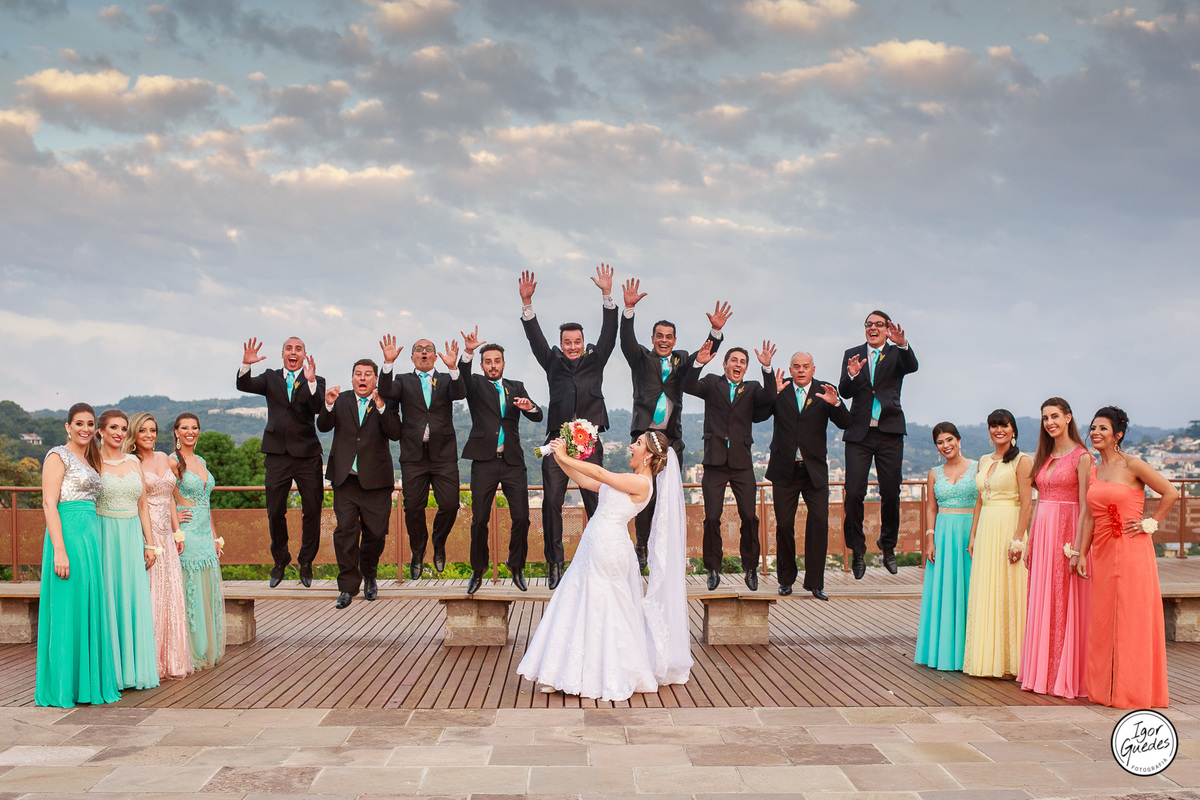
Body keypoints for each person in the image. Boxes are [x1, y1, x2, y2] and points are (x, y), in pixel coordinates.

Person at [517, 430, 691, 700]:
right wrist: (560, 458)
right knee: (576, 602)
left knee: (602, 607)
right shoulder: (627, 480)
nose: (631, 446)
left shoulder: (642, 484)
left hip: (608, 549)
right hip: (593, 546)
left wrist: (566, 455)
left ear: (647, 455)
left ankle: (599, 673)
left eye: (637, 443)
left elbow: (599, 474)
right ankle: (563, 672)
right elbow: (587, 482)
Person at [620, 277, 729, 571]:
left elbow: (704, 353)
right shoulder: (641, 358)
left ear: (675, 340)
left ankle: (665, 550)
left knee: (668, 497)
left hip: (672, 440)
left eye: (669, 336)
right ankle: (641, 545)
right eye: (659, 335)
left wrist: (716, 331)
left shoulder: (681, 360)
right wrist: (628, 310)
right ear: (653, 337)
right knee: (645, 494)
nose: (664, 339)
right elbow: (626, 342)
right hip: (645, 437)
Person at [1072, 406, 1178, 708]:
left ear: (1118, 434)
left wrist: (1149, 523)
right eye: (1093, 428)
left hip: (1133, 550)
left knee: (1132, 617)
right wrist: (1082, 551)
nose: (1095, 433)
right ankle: (1106, 688)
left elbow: (1170, 492)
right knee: (1105, 619)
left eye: (1103, 428)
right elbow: (1091, 516)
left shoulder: (1134, 465)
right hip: (1103, 552)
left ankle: (1133, 690)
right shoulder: (1093, 470)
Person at [520, 265, 619, 590]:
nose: (573, 346)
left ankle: (598, 562)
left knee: (596, 503)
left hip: (590, 445)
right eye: (567, 342)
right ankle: (555, 565)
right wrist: (528, 305)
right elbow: (536, 339)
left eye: (577, 341)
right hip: (557, 444)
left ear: (583, 342)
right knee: (551, 503)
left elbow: (609, 333)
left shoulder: (596, 359)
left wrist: (607, 295)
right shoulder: (552, 361)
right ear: (561, 344)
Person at [35, 403, 121, 708]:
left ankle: (87, 684)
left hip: (90, 537)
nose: (85, 429)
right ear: (67, 426)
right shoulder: (57, 456)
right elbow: (48, 504)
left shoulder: (89, 458)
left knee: (87, 607)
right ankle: (62, 687)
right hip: (68, 536)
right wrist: (59, 549)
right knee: (67, 608)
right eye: (79, 423)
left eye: (89, 424)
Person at [683, 340, 777, 591]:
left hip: (741, 463)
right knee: (712, 518)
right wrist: (698, 364)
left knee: (749, 516)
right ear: (725, 365)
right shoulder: (713, 383)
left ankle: (750, 568)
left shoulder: (753, 387)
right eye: (734, 360)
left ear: (746, 368)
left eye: (743, 362)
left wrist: (767, 369)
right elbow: (688, 385)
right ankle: (713, 568)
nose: (738, 364)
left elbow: (770, 396)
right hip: (714, 462)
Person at [458, 329, 543, 594]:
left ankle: (515, 566)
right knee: (479, 519)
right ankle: (478, 569)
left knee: (522, 518)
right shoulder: (475, 383)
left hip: (512, 461)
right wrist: (469, 353)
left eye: (497, 361)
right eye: (488, 362)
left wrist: (530, 407)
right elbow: (460, 379)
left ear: (503, 363)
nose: (493, 366)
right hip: (483, 461)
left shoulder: (515, 386)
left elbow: (537, 415)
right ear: (482, 365)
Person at [236, 336, 325, 587]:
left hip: (308, 455)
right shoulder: (270, 377)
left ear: (305, 354)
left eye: (298, 349)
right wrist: (246, 364)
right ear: (283, 354)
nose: (293, 352)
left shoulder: (315, 380)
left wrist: (309, 383)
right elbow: (244, 385)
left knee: (312, 510)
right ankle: (280, 560)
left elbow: (318, 407)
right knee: (274, 510)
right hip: (276, 454)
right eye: (289, 348)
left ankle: (306, 562)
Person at [1019, 397, 1091, 698]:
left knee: (1064, 601)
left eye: (1055, 417)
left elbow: (1088, 507)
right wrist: (1030, 541)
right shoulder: (1045, 457)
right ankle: (1041, 672)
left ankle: (1065, 675)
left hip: (1066, 533)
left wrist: (1079, 549)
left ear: (1068, 418)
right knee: (1043, 600)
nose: (1050, 423)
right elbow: (1038, 504)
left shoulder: (1083, 457)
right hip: (1043, 533)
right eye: (1045, 418)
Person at [763, 351, 851, 599]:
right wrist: (772, 393)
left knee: (820, 524)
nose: (801, 370)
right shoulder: (781, 389)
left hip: (814, 471)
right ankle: (786, 580)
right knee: (784, 526)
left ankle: (815, 582)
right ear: (790, 370)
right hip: (784, 471)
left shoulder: (825, 391)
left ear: (813, 369)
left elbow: (845, 422)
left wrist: (836, 403)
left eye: (805, 366)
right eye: (796, 366)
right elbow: (758, 415)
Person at [378, 334, 466, 579]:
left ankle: (439, 542)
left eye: (428, 349)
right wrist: (387, 363)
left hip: (444, 455)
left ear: (435, 356)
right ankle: (418, 550)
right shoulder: (403, 380)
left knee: (449, 504)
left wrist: (453, 367)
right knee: (413, 507)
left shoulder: (447, 380)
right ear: (413, 357)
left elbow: (460, 393)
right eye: (419, 349)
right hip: (413, 456)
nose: (424, 352)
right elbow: (385, 390)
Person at [839, 311, 919, 578]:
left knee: (891, 492)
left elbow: (912, 366)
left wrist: (903, 344)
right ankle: (858, 549)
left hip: (890, 431)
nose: (873, 328)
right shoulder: (852, 353)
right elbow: (844, 391)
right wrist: (851, 375)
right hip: (859, 434)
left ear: (887, 329)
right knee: (853, 493)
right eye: (869, 325)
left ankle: (887, 546)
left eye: (878, 325)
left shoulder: (897, 353)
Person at [319, 359, 403, 608]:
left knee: (376, 534)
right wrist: (328, 404)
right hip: (346, 480)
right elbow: (323, 426)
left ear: (376, 379)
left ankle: (370, 574)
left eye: (368, 375)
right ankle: (347, 587)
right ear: (352, 377)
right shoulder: (341, 399)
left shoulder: (386, 402)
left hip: (377, 481)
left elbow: (395, 433)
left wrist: (380, 407)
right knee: (345, 532)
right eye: (358, 374)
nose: (363, 379)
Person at [963, 409, 1033, 679]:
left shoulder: (1023, 461)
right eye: (993, 426)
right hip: (987, 527)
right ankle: (988, 657)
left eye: (1003, 425)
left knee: (1010, 590)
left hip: (1009, 525)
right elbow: (980, 500)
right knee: (987, 589)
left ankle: (1014, 661)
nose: (998, 430)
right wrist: (973, 536)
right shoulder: (983, 460)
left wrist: (1017, 539)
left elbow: (1027, 503)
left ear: (1013, 429)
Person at [125, 412, 193, 680]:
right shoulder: (132, 462)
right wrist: (147, 542)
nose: (150, 435)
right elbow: (138, 503)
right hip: (147, 535)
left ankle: (172, 660)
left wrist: (178, 533)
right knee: (151, 596)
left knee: (171, 594)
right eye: (143, 431)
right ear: (135, 434)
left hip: (167, 535)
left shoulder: (165, 458)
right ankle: (149, 662)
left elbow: (170, 500)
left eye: (153, 430)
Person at [95, 409, 160, 691]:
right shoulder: (92, 462)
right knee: (108, 598)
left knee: (132, 598)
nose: (119, 433)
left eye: (123, 428)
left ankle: (133, 670)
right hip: (103, 535)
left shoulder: (133, 461)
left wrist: (149, 543)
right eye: (113, 428)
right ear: (100, 432)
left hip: (132, 535)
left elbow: (143, 505)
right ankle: (112, 673)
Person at [914, 422, 977, 672]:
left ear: (959, 440)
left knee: (969, 587)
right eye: (940, 442)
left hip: (968, 532)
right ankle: (944, 652)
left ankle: (971, 652)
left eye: (949, 439)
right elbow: (931, 507)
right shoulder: (934, 473)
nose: (945, 446)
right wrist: (930, 538)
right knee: (944, 589)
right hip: (943, 532)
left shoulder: (977, 467)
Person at [171, 413, 226, 670]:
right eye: (185, 428)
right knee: (190, 590)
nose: (190, 432)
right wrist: (174, 516)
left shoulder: (201, 460)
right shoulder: (172, 462)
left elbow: (208, 503)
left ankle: (206, 647)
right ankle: (188, 650)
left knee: (206, 589)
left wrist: (215, 537)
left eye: (194, 428)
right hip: (188, 532)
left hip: (206, 534)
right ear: (176, 432)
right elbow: (162, 495)